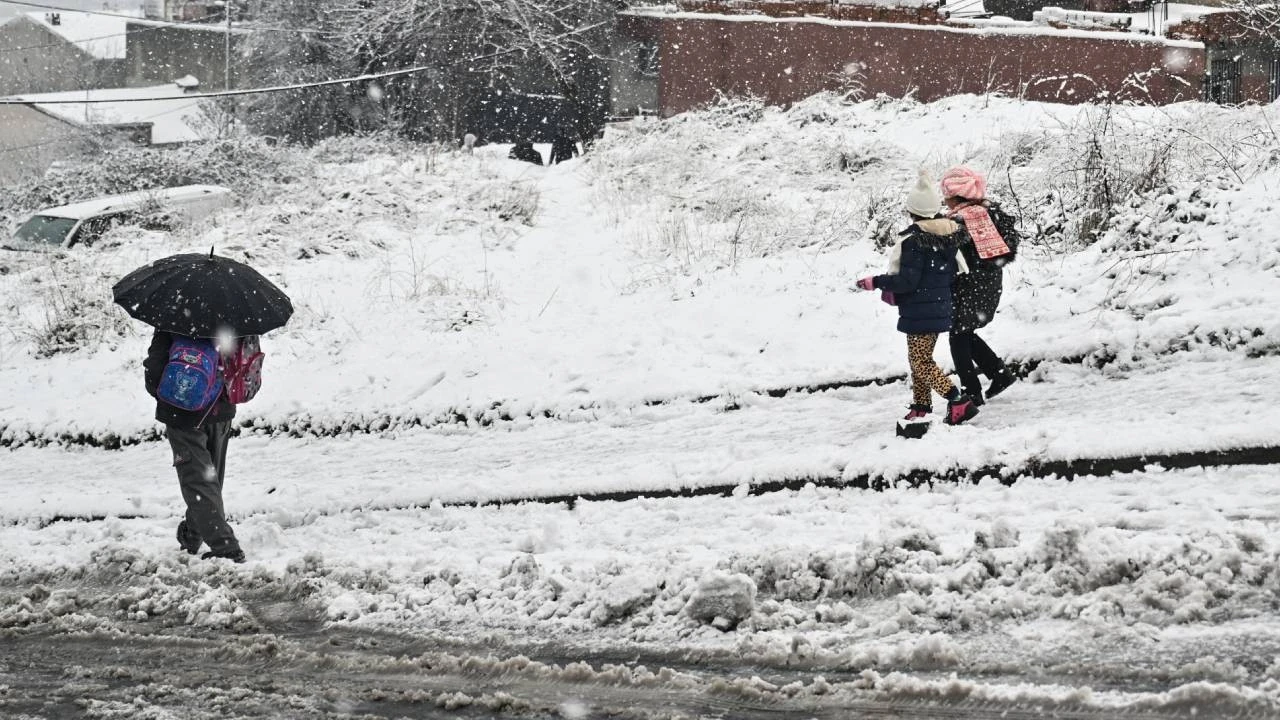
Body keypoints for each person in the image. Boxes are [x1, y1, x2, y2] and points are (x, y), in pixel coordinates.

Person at [855, 171, 979, 434]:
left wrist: (875, 281)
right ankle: (921, 405)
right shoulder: (947, 236)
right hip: (935, 307)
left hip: (921, 310)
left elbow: (907, 281)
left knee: (921, 362)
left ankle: (958, 400)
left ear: (913, 212)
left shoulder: (915, 242)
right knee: (918, 359)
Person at [143, 330, 246, 563]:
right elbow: (240, 365)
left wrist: (171, 396)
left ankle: (225, 546)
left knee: (198, 480)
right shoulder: (234, 316)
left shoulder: (172, 317)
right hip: (220, 411)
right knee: (209, 478)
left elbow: (154, 367)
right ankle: (192, 534)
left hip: (182, 415)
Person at [939, 166, 1017, 406]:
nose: (944, 200)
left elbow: (952, 258)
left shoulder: (958, 222)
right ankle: (998, 373)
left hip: (967, 285)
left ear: (957, 195)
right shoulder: (991, 213)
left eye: (947, 196)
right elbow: (1009, 246)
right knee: (964, 331)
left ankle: (971, 393)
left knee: (958, 335)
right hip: (989, 282)